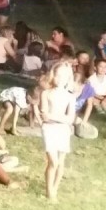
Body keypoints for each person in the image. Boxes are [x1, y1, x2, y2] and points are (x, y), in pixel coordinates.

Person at [40, 61, 76, 202]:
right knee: (53, 162)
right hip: (49, 129)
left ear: (69, 78)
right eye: (58, 75)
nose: (61, 79)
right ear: (53, 75)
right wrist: (61, 118)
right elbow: (45, 116)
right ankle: (49, 192)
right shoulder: (46, 93)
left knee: (61, 161)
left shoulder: (70, 96)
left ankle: (54, 188)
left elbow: (70, 118)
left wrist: (55, 117)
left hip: (63, 130)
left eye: (65, 76)